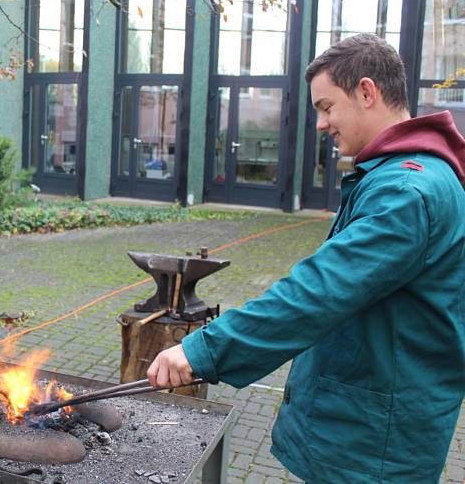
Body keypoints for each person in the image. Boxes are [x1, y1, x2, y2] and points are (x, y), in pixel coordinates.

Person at [148, 34, 465, 483]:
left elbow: (318, 292)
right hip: (373, 429)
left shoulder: (404, 192)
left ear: (368, 92)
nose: (321, 124)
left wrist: (205, 350)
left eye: (326, 106)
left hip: (374, 448)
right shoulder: (405, 177)